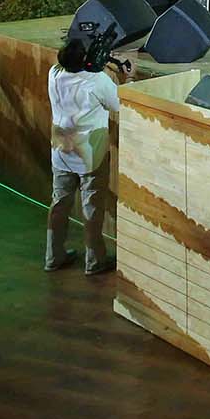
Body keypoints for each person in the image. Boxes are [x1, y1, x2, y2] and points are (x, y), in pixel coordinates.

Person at [46, 37, 131, 275]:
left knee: (59, 204)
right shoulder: (97, 80)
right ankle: (94, 261)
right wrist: (128, 78)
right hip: (90, 154)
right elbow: (119, 104)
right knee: (92, 208)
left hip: (61, 150)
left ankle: (53, 256)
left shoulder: (54, 74)